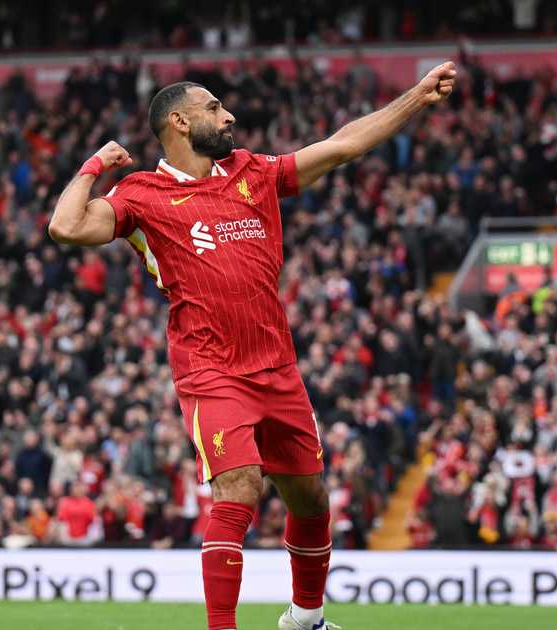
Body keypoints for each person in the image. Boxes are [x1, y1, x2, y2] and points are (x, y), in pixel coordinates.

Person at [49, 62, 457, 630]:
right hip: (210, 369)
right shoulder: (141, 195)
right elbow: (66, 228)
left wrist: (415, 97)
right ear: (180, 122)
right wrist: (96, 165)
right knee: (239, 486)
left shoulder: (251, 172)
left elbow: (339, 147)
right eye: (214, 107)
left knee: (311, 500)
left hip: (277, 366)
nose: (229, 114)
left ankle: (306, 619)